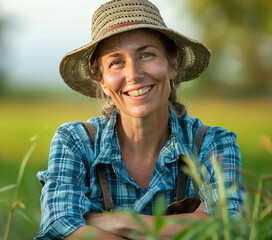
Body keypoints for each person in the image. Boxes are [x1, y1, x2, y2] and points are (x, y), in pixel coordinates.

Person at [35, 0, 244, 239]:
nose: (133, 74)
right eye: (116, 62)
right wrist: (194, 223)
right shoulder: (75, 142)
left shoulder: (212, 143)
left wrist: (120, 221)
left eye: (146, 55)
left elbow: (232, 225)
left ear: (172, 63)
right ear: (102, 79)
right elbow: (59, 226)